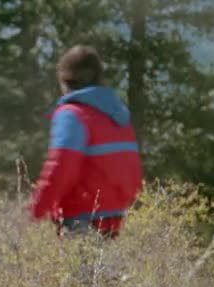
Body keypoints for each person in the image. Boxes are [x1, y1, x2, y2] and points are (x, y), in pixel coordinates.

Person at [28, 45, 143, 239]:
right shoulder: (117, 114)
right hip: (118, 219)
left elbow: (60, 167)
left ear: (64, 81)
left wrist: (35, 212)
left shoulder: (72, 115)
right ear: (99, 77)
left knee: (81, 270)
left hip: (81, 220)